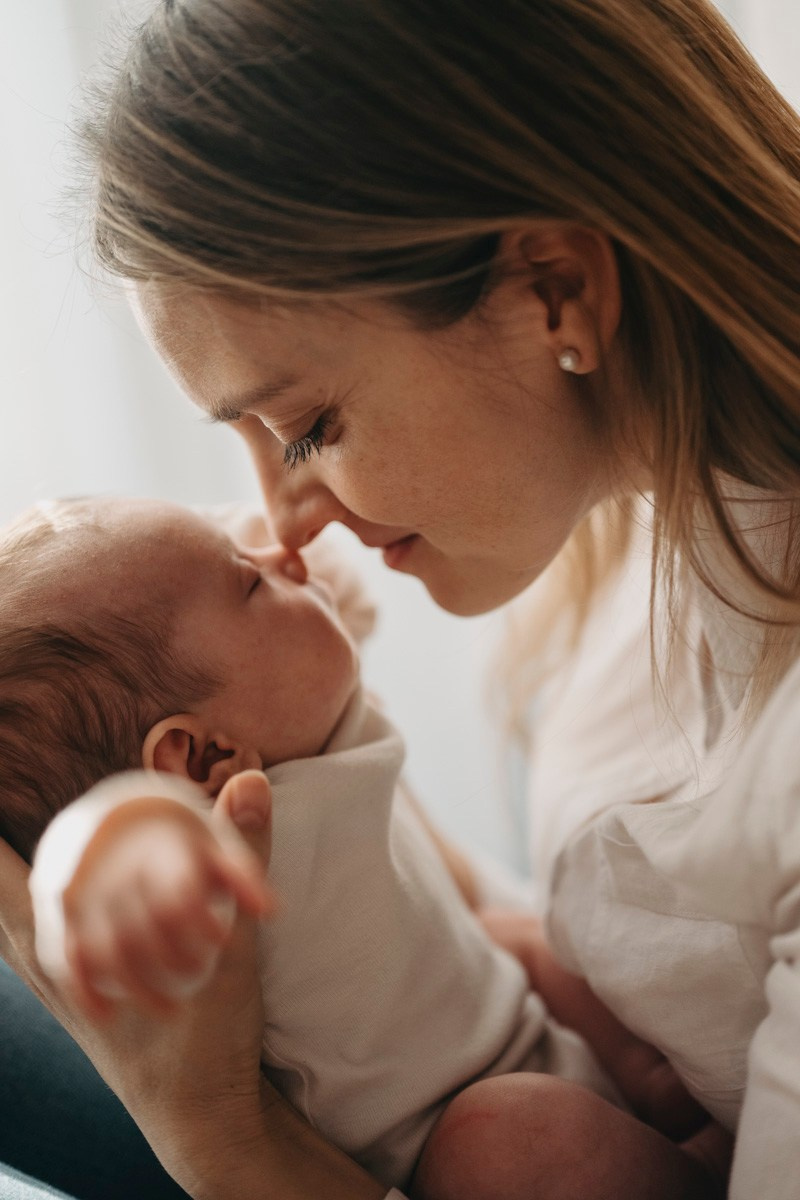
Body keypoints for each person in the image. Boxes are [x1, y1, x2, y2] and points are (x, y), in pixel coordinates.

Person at [1, 0, 798, 1197]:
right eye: (261, 438)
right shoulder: (607, 533)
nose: (285, 524)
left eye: (313, 424)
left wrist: (210, 1127)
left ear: (554, 292)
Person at [0, 494, 708, 1197]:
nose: (283, 557)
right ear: (201, 757)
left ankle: (653, 1087)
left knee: (537, 933)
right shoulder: (227, 842)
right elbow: (127, 829)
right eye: (251, 579)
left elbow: (286, 599)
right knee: (508, 1136)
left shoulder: (301, 724)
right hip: (453, 1147)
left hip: (516, 1015)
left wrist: (246, 568)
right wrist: (96, 858)